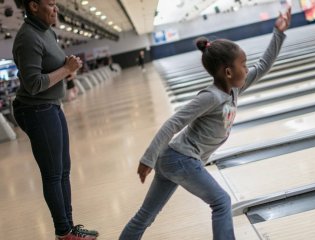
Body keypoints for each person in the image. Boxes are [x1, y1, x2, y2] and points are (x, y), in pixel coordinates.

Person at [119, 7, 292, 240]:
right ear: (228, 71)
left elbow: (263, 66)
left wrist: (278, 32)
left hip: (174, 159)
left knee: (145, 216)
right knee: (221, 201)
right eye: (243, 64)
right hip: (181, 158)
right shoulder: (210, 97)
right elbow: (173, 123)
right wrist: (148, 158)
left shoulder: (235, 89)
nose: (247, 68)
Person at [12, 0, 98, 239]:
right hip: (36, 110)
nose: (56, 8)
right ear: (34, 6)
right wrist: (66, 70)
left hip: (51, 106)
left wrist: (69, 70)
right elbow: (33, 84)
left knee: (63, 170)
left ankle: (69, 228)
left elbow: (53, 68)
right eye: (50, 3)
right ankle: (63, 232)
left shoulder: (46, 31)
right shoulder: (28, 38)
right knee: (52, 173)